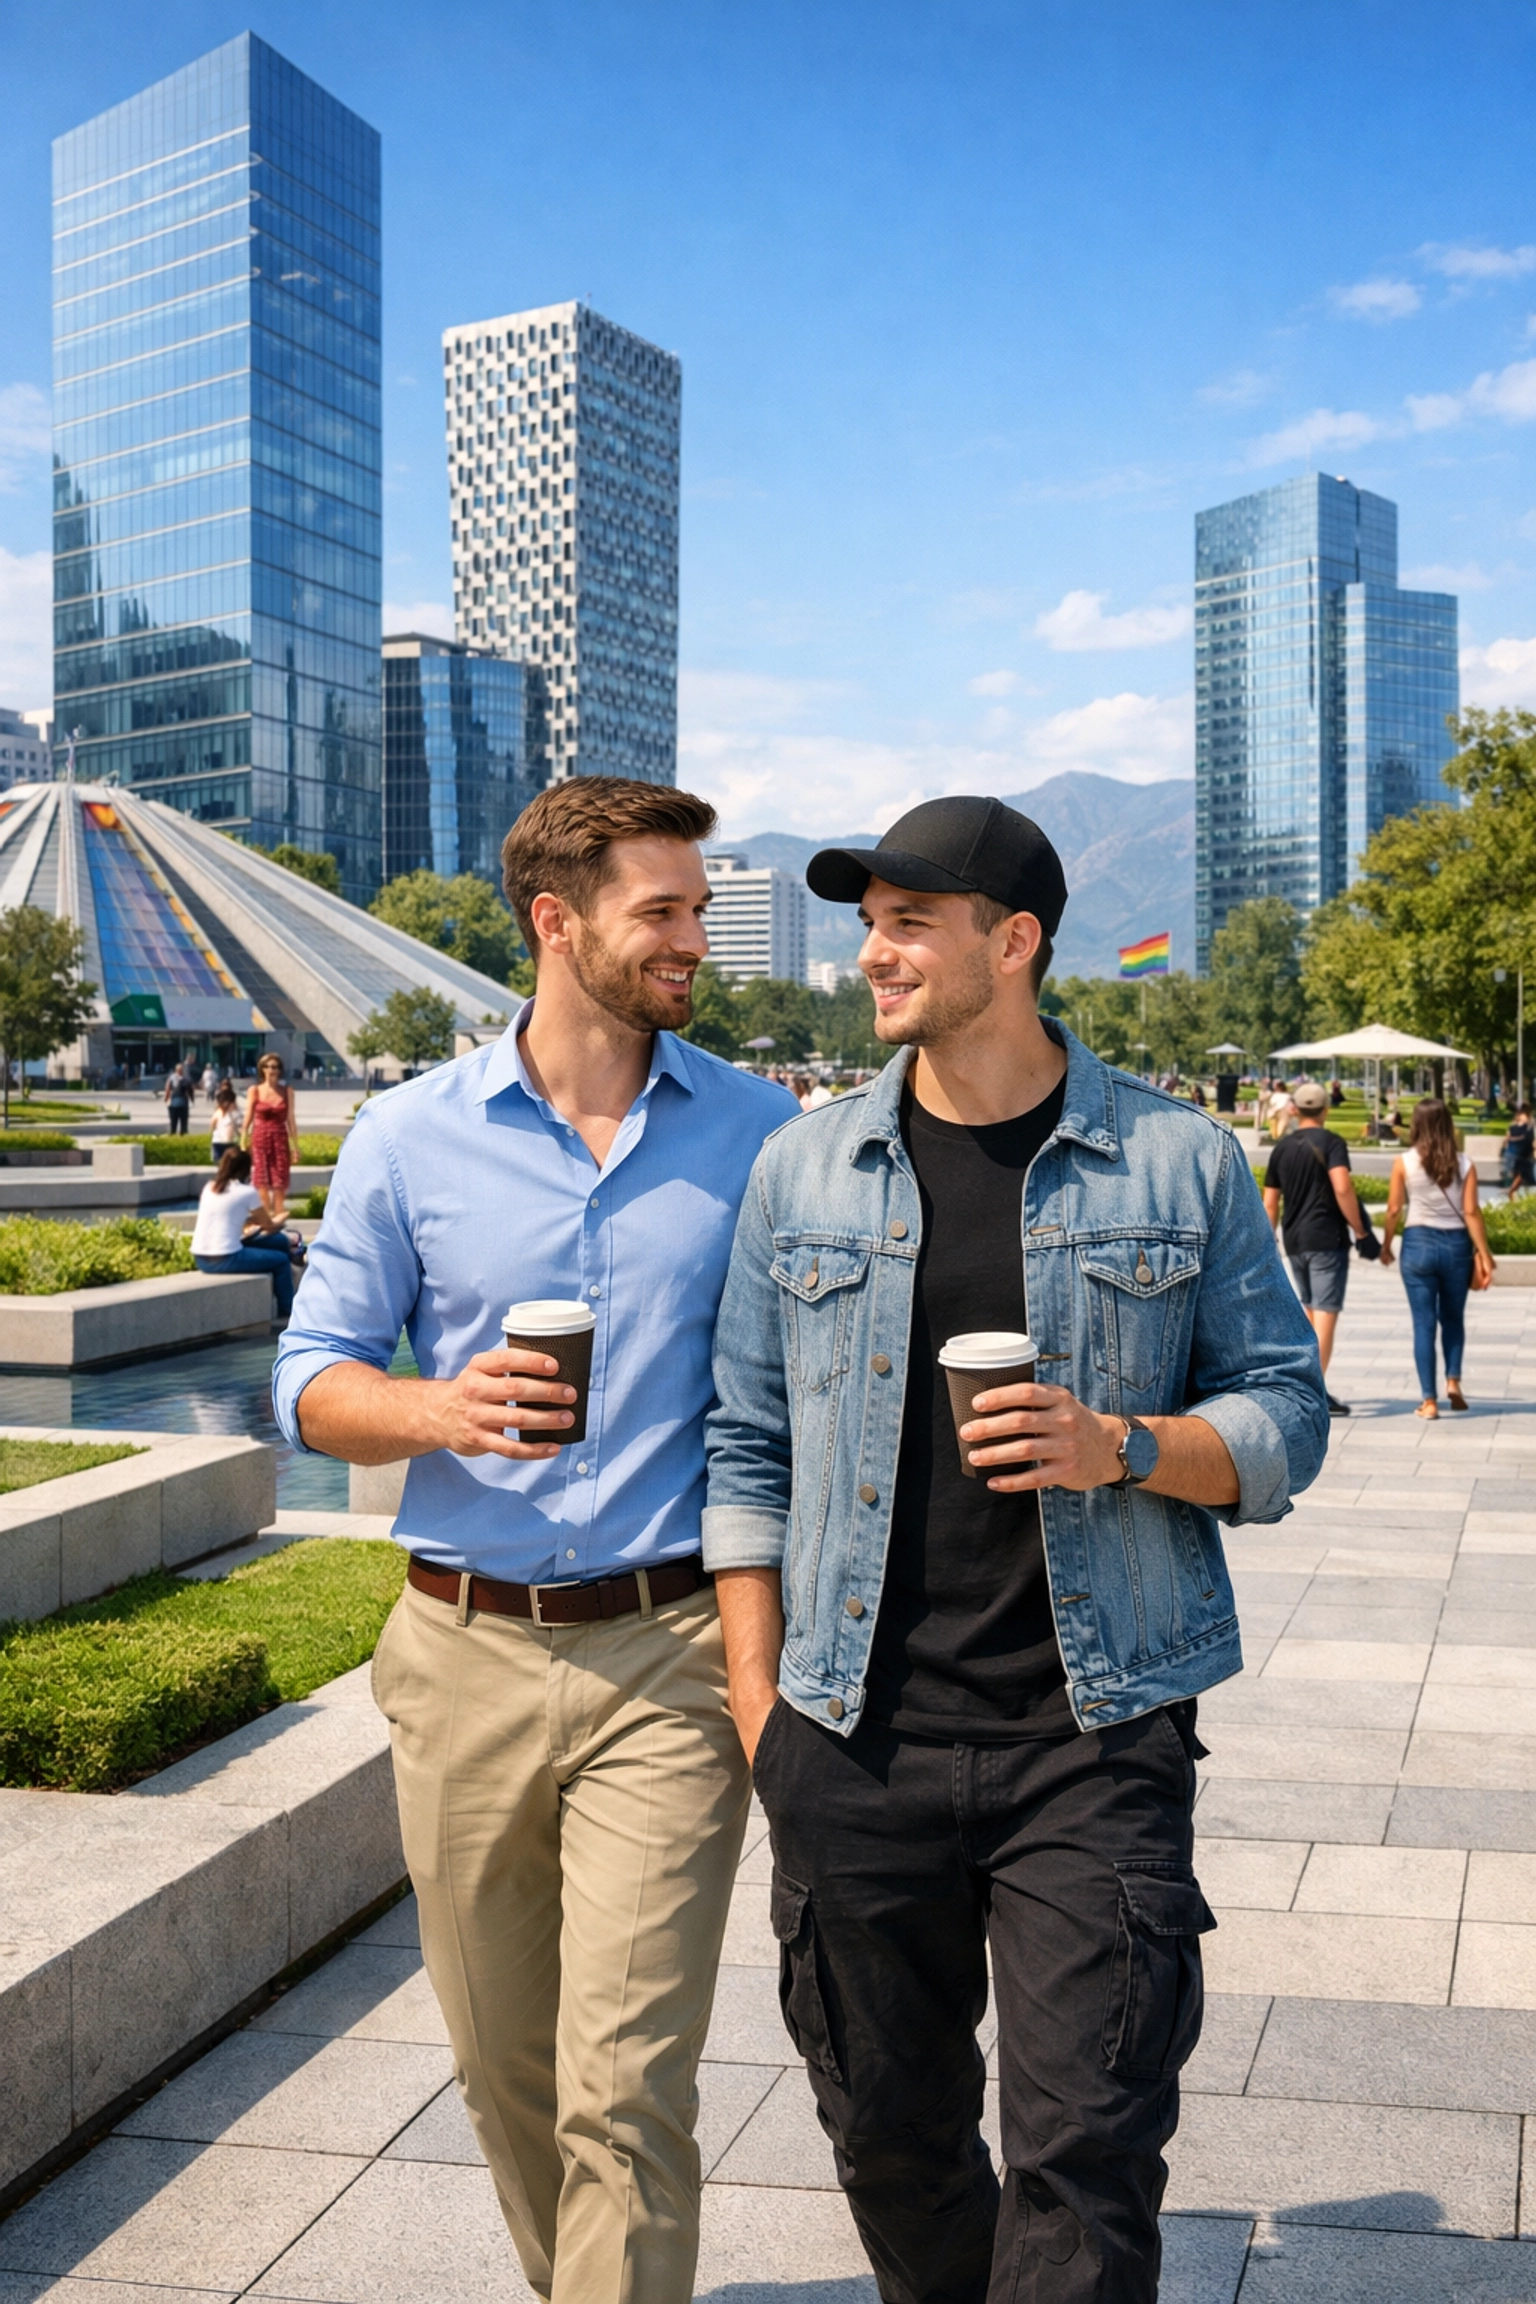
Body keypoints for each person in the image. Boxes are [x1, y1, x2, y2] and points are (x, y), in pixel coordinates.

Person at [703, 797, 1329, 2304]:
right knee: (889, 2140)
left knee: (1085, 2157)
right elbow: (745, 1447)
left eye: (909, 922)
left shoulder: (1176, 1162)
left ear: (1015, 940)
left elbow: (1287, 1413)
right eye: (868, 924)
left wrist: (1119, 1444)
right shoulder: (805, 1170)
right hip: (852, 1738)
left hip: (1091, 1742)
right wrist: (759, 1714)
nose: (874, 954)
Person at [272, 778, 797, 2304]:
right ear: (558, 923)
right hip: (460, 1654)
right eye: (667, 910)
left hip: (674, 1659)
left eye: (701, 907)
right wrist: (434, 1409)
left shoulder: (762, 1138)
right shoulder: (406, 1136)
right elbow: (309, 1383)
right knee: (504, 2071)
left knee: (624, 2090)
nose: (697, 937)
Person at [1262, 1080, 1373, 1418]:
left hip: (1295, 1240)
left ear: (1296, 1109)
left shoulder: (1282, 1147)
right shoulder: (1332, 1143)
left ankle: (1304, 1386)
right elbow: (1342, 1186)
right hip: (1327, 1239)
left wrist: (1270, 1241)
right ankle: (1314, 1393)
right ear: (1325, 1110)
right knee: (1325, 1313)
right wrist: (1360, 1228)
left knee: (1309, 1312)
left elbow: (1270, 1203)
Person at [1380, 1098, 1496, 1418]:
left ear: (1416, 1124)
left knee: (1423, 1323)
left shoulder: (1404, 1162)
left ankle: (1429, 1401)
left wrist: (1387, 1244)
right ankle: (1454, 1382)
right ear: (1448, 1124)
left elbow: (1392, 1210)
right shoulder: (1464, 1164)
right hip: (1457, 1246)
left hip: (1417, 1244)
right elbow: (1471, 1211)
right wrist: (1485, 1254)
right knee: (1453, 1317)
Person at [191, 1147, 296, 1319]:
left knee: (278, 1241)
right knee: (281, 1259)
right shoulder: (247, 1192)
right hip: (225, 1258)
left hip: (201, 1258)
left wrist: (248, 1220)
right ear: (246, 1170)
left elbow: (226, 1214)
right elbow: (269, 1225)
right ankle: (288, 1309)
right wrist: (283, 1217)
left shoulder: (209, 1187)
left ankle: (285, 1293)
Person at [243, 1053, 298, 1221]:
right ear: (262, 1069)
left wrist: (295, 1146)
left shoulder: (286, 1091)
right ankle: (266, 1218)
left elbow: (291, 1119)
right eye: (267, 1067)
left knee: (279, 1180)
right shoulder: (255, 1090)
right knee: (261, 1180)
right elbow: (248, 1116)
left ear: (279, 1070)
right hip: (260, 1138)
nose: (271, 1070)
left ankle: (279, 1215)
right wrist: (243, 1139)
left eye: (274, 1067)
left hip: (280, 1138)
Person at [1504, 1103, 1535, 1199]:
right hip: (1522, 1150)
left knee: (1518, 1174)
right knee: (1520, 1174)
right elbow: (1530, 1136)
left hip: (1516, 1150)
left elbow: (1509, 1133)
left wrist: (1506, 1144)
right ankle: (1511, 1192)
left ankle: (1512, 1194)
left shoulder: (1517, 1120)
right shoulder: (1529, 1120)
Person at [210, 1082, 241, 1163]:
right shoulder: (218, 1112)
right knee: (223, 1164)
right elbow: (212, 1126)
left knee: (228, 1164)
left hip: (230, 1142)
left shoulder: (234, 1113)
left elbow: (212, 1126)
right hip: (219, 1142)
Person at [163, 1062, 191, 1136]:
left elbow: (168, 1089)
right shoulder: (186, 1078)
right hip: (183, 1102)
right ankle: (183, 1133)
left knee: (173, 1121)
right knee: (183, 1122)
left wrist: (166, 1099)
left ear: (176, 1070)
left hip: (174, 1102)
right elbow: (190, 1090)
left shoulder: (171, 1078)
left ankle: (173, 1133)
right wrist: (191, 1098)